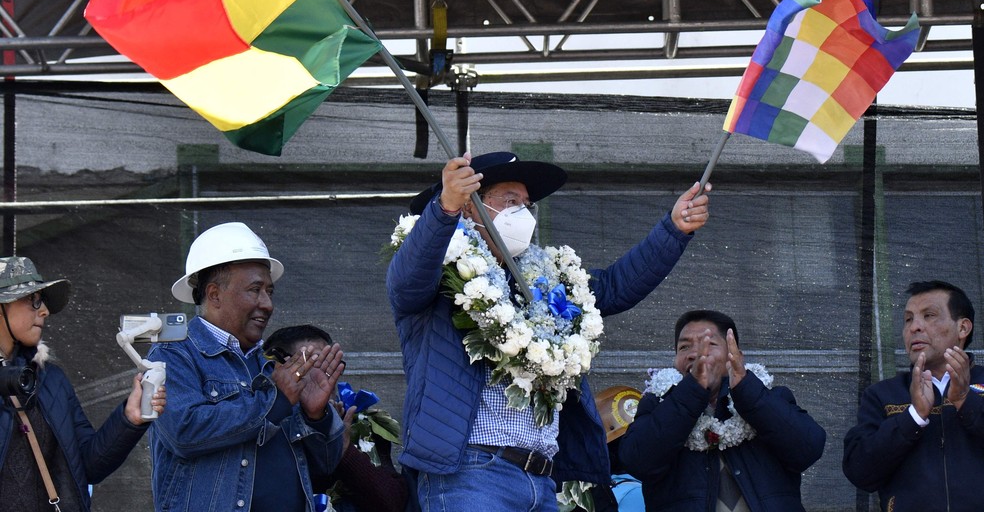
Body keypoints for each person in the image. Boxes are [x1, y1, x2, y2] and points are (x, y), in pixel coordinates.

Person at [387, 151, 711, 511]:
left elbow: (616, 286)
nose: (522, 214)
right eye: (510, 201)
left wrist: (674, 229)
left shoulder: (544, 281)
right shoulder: (439, 277)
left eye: (526, 204)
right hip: (470, 474)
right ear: (470, 208)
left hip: (541, 480)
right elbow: (407, 280)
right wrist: (444, 208)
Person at [147, 222, 345, 512]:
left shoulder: (270, 364)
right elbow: (184, 433)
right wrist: (275, 402)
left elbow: (324, 469)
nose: (267, 304)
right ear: (214, 295)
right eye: (255, 290)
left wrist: (316, 417)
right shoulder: (173, 353)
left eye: (269, 291)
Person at [0, 256, 166, 512]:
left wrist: (129, 419)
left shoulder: (50, 379)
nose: (44, 310)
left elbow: (87, 465)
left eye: (42, 301)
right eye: (32, 300)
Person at [619, 309, 825, 512]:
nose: (695, 354)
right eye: (684, 347)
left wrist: (747, 390)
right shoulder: (656, 404)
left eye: (708, 344)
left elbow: (808, 448)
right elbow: (638, 462)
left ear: (734, 355)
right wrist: (691, 392)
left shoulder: (771, 397)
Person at [843, 280, 984, 512]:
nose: (914, 327)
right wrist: (914, 417)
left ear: (963, 328)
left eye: (929, 316)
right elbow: (860, 472)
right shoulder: (881, 395)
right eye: (908, 319)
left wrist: (964, 401)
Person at [264, 324, 409, 512]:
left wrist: (344, 448)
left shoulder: (359, 425)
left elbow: (394, 503)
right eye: (312, 367)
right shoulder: (263, 430)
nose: (324, 379)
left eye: (330, 366)